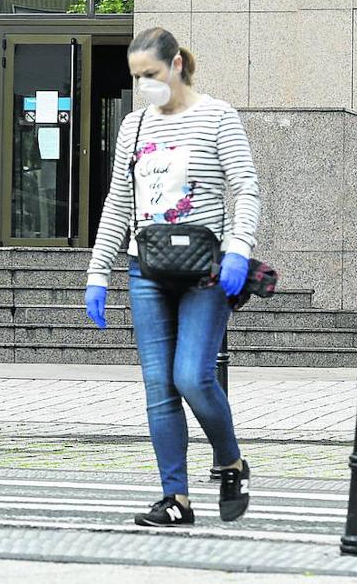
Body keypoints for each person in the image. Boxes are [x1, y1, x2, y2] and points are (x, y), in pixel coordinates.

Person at [85, 27, 261, 527]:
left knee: (192, 376)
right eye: (137, 77)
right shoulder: (134, 127)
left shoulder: (217, 117)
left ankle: (230, 461)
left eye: (152, 74)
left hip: (206, 269)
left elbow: (245, 189)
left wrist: (238, 250)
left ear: (178, 64)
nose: (145, 86)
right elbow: (119, 202)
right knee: (159, 388)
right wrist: (99, 271)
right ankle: (175, 499)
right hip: (147, 269)